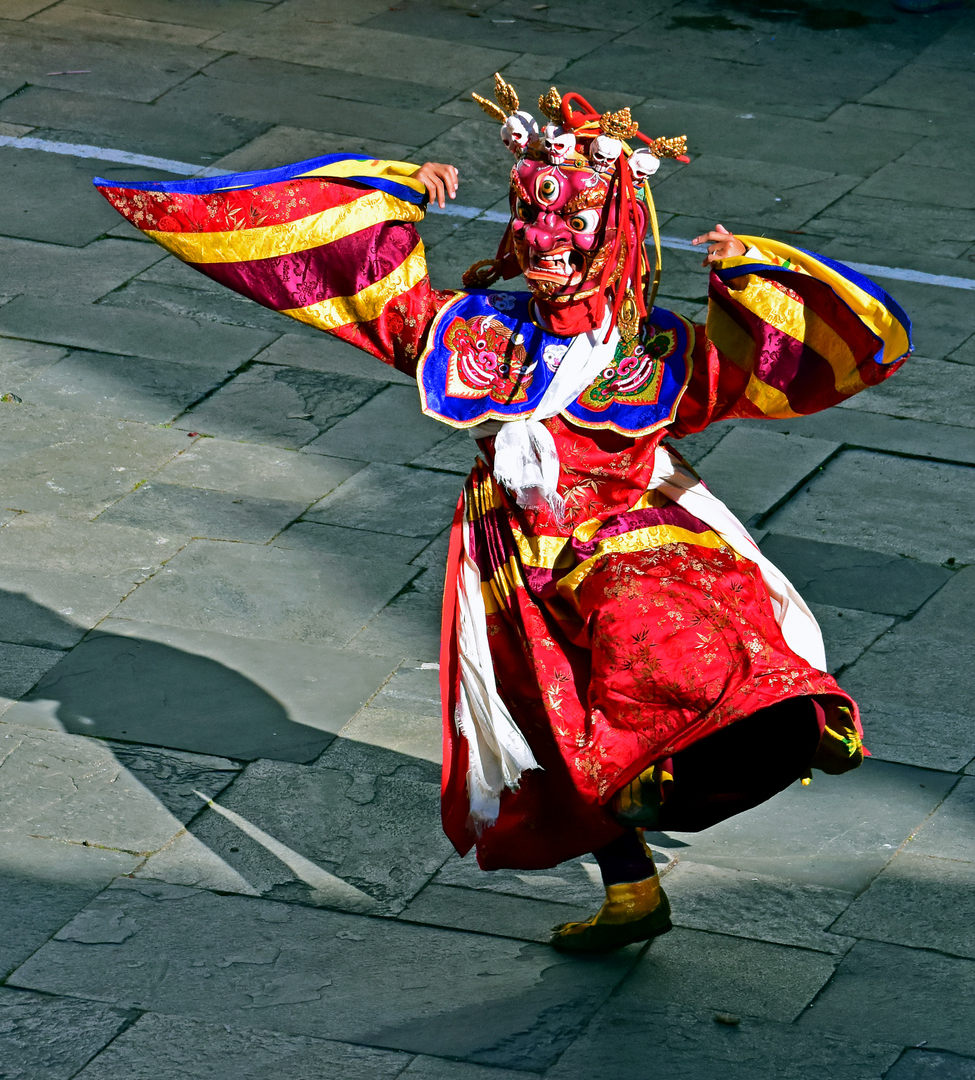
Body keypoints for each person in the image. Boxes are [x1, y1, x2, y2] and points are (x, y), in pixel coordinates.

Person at [95, 76, 911, 952]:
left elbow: (786, 366)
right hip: (512, 555)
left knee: (667, 643)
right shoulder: (475, 327)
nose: (546, 241)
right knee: (548, 725)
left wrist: (749, 278)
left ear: (618, 229)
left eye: (570, 222)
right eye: (530, 217)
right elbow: (361, 290)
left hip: (631, 532)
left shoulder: (657, 350)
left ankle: (779, 737)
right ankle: (633, 888)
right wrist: (388, 192)